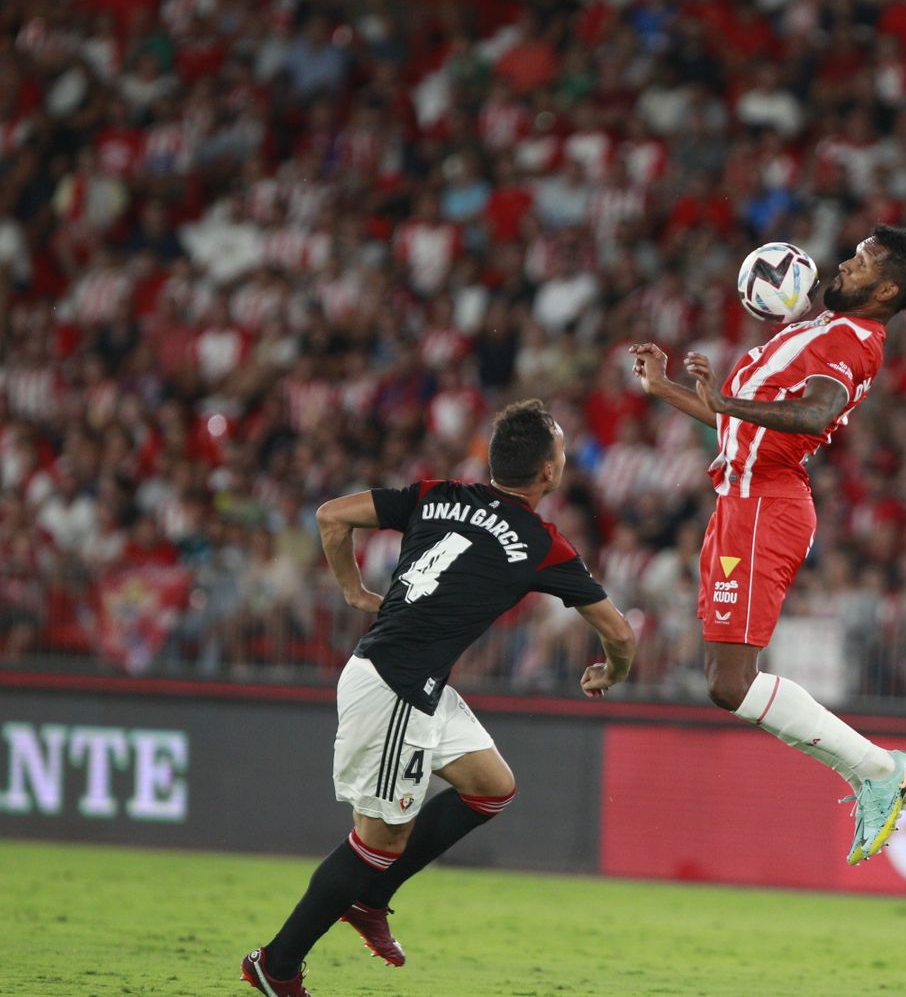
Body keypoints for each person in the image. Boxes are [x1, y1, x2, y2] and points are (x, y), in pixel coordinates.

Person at [241, 400, 635, 997]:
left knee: (490, 785)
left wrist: (354, 591)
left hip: (409, 680)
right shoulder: (540, 542)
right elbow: (621, 632)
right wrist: (613, 671)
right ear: (550, 474)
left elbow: (330, 516)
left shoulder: (437, 494)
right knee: (379, 840)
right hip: (396, 689)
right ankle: (277, 964)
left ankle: (372, 896)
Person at [628, 223, 906, 865]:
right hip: (740, 499)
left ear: (884, 289)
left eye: (862, 262)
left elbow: (812, 416)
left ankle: (878, 770)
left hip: (766, 505)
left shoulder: (853, 340)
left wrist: (728, 402)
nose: (845, 265)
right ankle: (871, 772)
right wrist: (669, 392)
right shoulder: (815, 328)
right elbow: (740, 420)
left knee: (731, 682)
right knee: (724, 679)